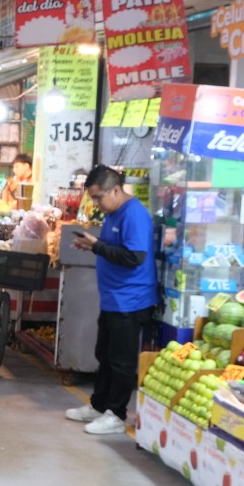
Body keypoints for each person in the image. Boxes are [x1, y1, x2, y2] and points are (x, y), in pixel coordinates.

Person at [67, 165, 159, 435]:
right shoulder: (113, 213)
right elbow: (113, 250)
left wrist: (96, 246)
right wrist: (91, 244)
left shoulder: (135, 215)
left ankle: (117, 414)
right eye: (93, 198)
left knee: (121, 360)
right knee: (104, 355)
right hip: (112, 298)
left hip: (130, 300)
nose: (96, 203)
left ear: (116, 190)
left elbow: (134, 257)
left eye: (98, 197)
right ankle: (98, 405)